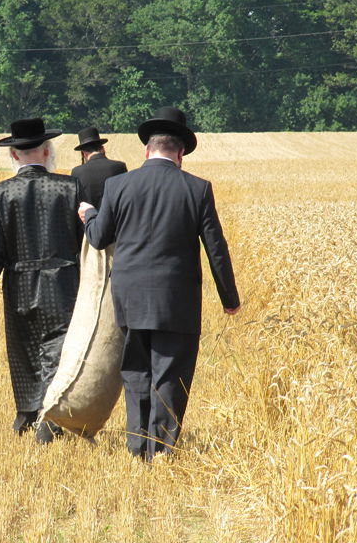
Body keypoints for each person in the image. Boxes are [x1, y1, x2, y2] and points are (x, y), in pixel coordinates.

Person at [78, 107, 240, 460]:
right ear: (180, 152)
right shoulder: (197, 188)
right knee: (170, 372)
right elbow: (216, 248)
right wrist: (230, 298)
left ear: (146, 150)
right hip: (176, 301)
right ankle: (162, 450)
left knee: (136, 371)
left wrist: (89, 214)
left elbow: (99, 237)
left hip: (129, 297)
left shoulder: (117, 185)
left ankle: (137, 448)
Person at [0, 117, 83, 444]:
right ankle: (48, 418)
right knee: (57, 353)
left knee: (25, 355)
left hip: (19, 287)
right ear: (48, 151)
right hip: (64, 286)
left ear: (14, 156)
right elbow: (86, 244)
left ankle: (30, 416)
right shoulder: (70, 188)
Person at [70, 126, 127, 209]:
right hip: (115, 221)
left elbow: (75, 204)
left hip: (88, 219)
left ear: (84, 153)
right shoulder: (120, 167)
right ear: (103, 149)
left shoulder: (77, 172)